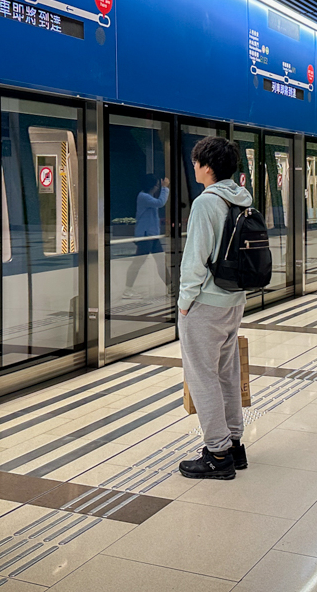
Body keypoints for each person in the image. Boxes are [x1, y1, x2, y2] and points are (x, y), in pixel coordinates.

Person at [177, 137, 253, 481]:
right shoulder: (240, 198)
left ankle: (218, 454)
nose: (194, 167)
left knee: (202, 377)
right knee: (226, 374)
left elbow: (195, 260)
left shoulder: (206, 203)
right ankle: (234, 445)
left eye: (196, 162)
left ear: (207, 167)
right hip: (233, 300)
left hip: (206, 303)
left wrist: (183, 303)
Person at [122, 174, 169, 299]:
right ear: (152, 185)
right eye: (157, 185)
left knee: (160, 262)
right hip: (145, 236)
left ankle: (171, 287)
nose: (157, 187)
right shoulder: (143, 197)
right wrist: (165, 188)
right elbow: (161, 202)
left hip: (152, 236)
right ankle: (128, 289)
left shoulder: (147, 196)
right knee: (138, 262)